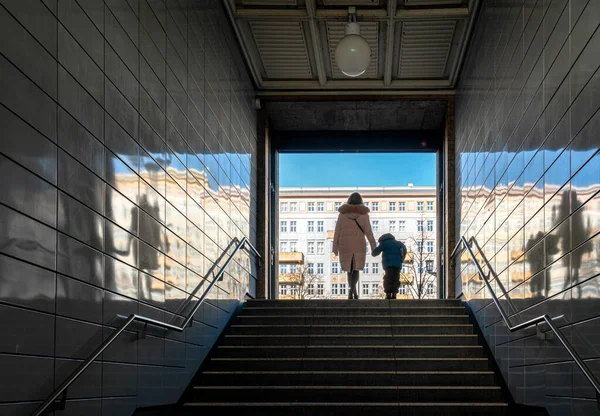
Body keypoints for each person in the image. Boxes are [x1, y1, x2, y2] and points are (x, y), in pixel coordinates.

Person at [333, 192, 376, 299]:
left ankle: (352, 292)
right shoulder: (364, 216)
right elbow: (369, 232)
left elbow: (337, 232)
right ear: (360, 201)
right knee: (355, 269)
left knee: (349, 269)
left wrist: (335, 247)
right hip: (359, 245)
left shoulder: (342, 215)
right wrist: (373, 246)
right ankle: (352, 291)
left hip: (345, 245)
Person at [371, 233, 407, 299]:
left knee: (388, 279)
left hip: (388, 265)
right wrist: (402, 258)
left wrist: (373, 249)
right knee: (395, 279)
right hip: (397, 265)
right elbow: (404, 249)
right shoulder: (398, 243)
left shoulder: (384, 244)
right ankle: (394, 293)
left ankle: (388, 294)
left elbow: (374, 253)